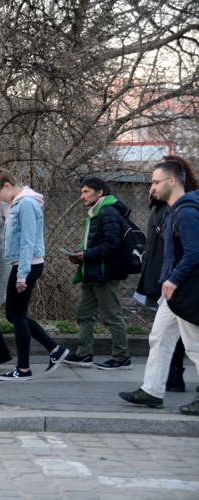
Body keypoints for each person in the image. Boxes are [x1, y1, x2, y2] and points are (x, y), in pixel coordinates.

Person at [119, 158, 199, 415]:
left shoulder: (185, 212)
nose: (152, 187)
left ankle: (153, 391)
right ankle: (151, 391)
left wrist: (173, 278)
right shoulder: (174, 210)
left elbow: (194, 251)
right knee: (160, 337)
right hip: (174, 291)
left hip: (184, 289)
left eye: (156, 181)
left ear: (172, 181)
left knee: (194, 345)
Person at [0, 168, 68, 381]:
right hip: (21, 264)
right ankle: (55, 350)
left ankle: (23, 369)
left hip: (27, 265)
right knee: (14, 315)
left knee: (18, 315)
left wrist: (22, 274)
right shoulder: (16, 204)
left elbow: (28, 241)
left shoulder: (27, 204)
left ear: (7, 186)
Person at [63, 177, 131, 370]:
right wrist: (80, 256)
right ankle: (84, 355)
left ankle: (122, 357)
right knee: (83, 314)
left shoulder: (107, 211)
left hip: (104, 273)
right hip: (91, 272)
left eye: (85, 192)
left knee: (112, 316)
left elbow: (113, 245)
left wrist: (87, 254)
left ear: (99, 192)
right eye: (82, 191)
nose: (81, 196)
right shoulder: (97, 211)